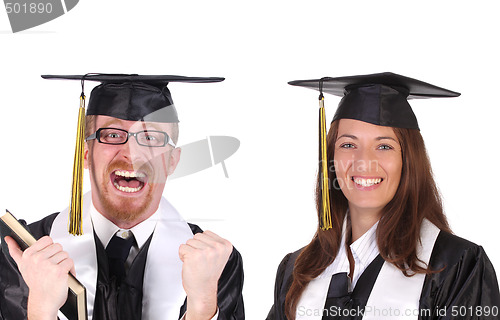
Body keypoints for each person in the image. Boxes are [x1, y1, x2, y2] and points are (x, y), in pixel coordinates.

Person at [0, 74, 244, 320]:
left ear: (172, 161)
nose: (132, 154)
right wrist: (41, 309)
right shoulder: (27, 254)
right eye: (112, 135)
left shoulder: (215, 261)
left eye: (150, 137)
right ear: (85, 153)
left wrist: (202, 305)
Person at [267, 72, 500, 320]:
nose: (364, 161)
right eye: (348, 144)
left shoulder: (457, 266)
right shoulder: (298, 270)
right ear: (330, 159)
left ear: (407, 160)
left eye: (384, 146)